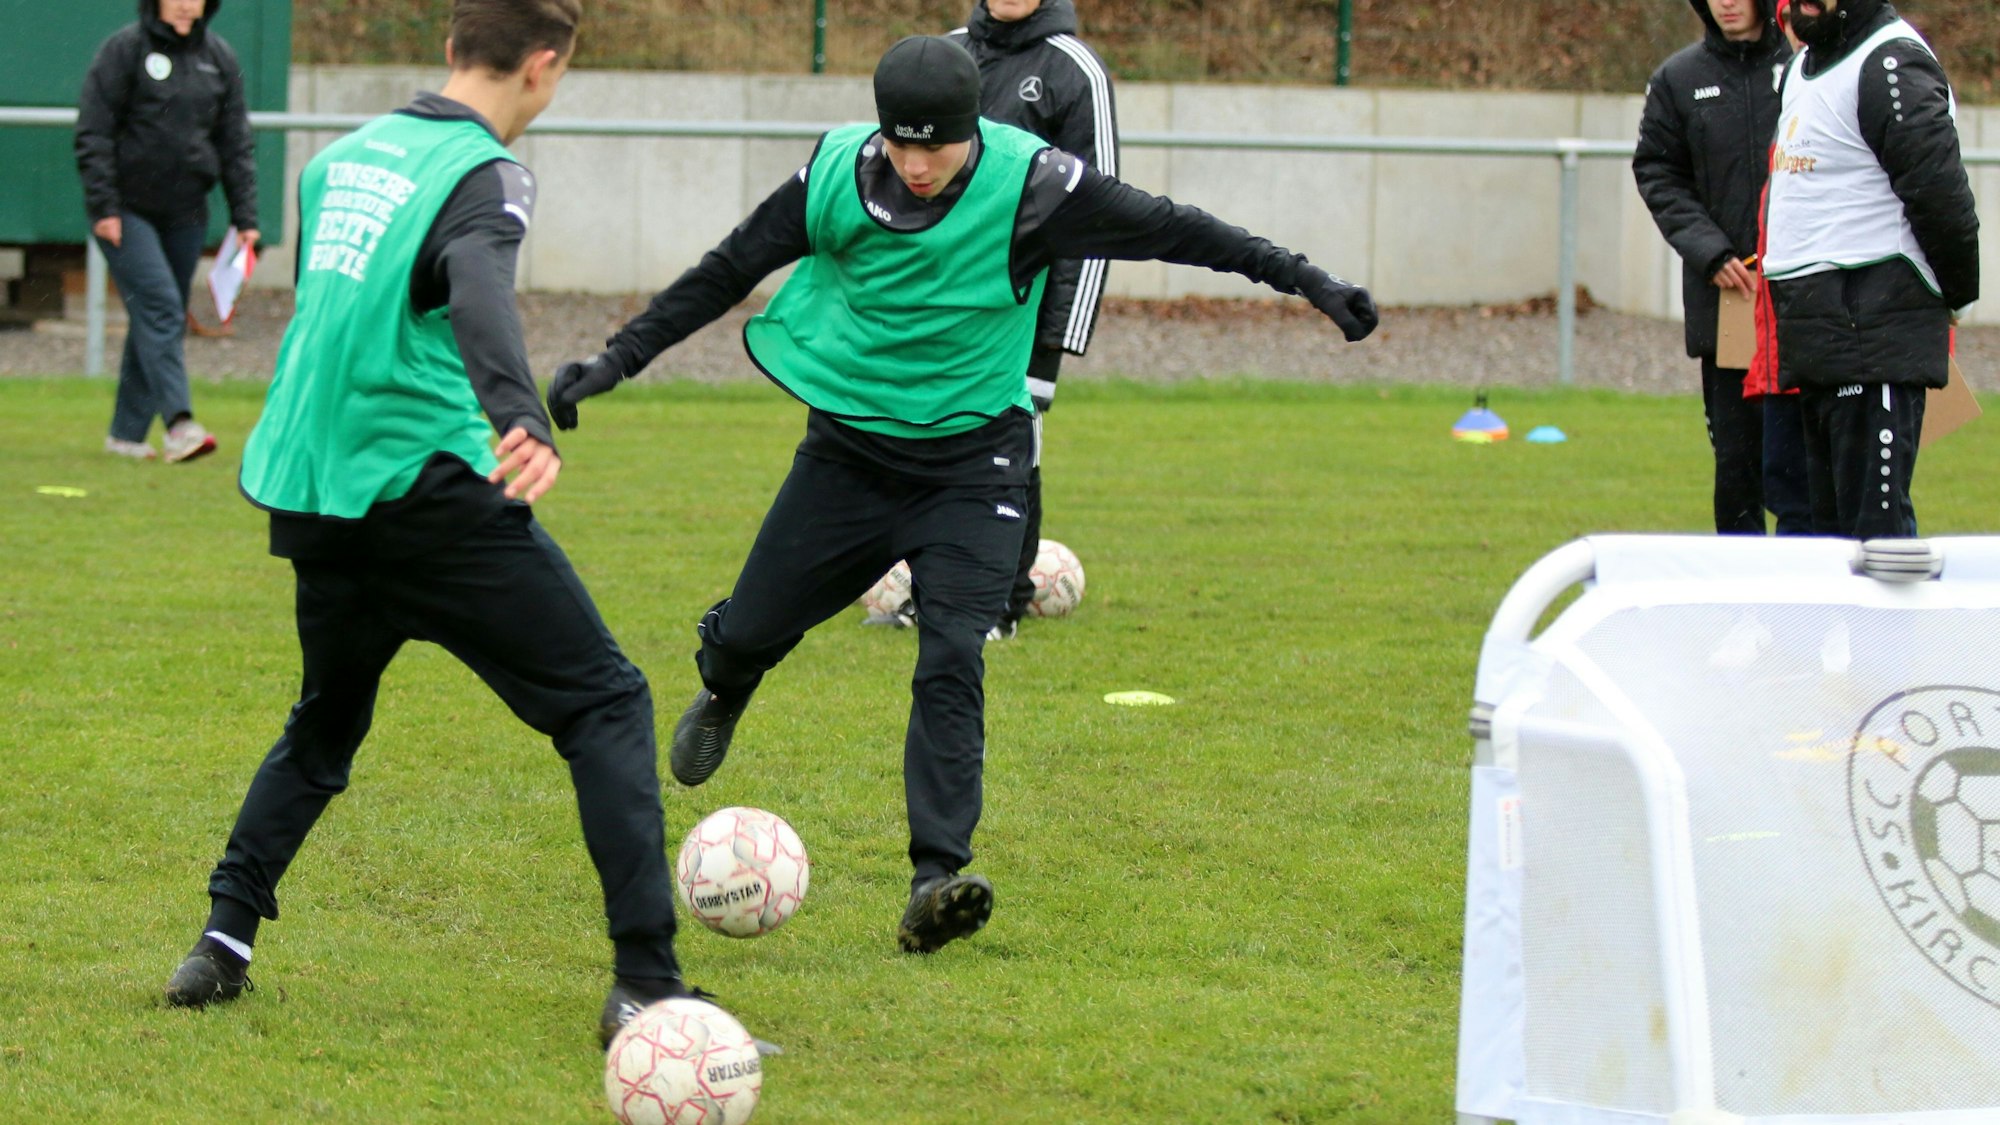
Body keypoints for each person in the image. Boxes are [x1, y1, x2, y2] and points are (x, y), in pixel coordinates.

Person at [548, 35, 1376, 956]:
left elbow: (1184, 230)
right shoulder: (833, 175)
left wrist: (1310, 280)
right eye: (899, 145)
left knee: (952, 654)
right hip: (848, 458)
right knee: (748, 631)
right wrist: (615, 360)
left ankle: (934, 878)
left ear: (971, 132)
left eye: (934, 147)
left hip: (976, 467)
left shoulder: (1034, 188)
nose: (915, 165)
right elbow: (726, 270)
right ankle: (728, 680)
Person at [162, 0, 698, 1049]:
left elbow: (357, 308)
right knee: (606, 705)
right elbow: (477, 291)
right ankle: (647, 983)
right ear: (543, 67)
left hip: (316, 497)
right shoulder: (487, 175)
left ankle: (221, 943)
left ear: (452, 46)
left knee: (325, 722)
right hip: (429, 495)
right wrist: (515, 413)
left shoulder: (343, 158)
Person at [1764, 0, 1978, 538]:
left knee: (1875, 539)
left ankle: (1891, 630)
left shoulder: (1890, 62)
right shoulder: (1800, 67)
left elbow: (1940, 197)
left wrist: (1954, 294)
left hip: (1873, 335)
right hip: (1816, 338)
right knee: (1829, 539)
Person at [946, 0, 1118, 638]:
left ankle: (998, 605)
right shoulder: (947, 55)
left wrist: (1061, 331)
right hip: (942, 303)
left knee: (1008, 451)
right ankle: (938, 595)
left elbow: (1101, 209)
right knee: (925, 443)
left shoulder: (1076, 71)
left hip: (1026, 308)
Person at [1633, 0, 1794, 535]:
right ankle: (1746, 608)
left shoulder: (1807, 68)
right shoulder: (1678, 78)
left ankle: (1815, 606)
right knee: (1738, 465)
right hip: (1730, 306)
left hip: (1806, 301)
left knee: (1809, 471)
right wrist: (1711, 252)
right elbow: (1659, 172)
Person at [74, 0, 257, 464]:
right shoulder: (124, 50)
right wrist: (104, 207)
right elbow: (94, 131)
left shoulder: (219, 58)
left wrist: (246, 218)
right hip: (126, 212)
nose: (183, 4)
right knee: (160, 308)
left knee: (157, 316)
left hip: (186, 213)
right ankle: (179, 424)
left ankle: (125, 435)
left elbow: (235, 142)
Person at [1741, 0, 1813, 537]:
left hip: (1827, 353)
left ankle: (1853, 623)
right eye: (1788, 20)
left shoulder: (1874, 80)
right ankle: (1800, 622)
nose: (1796, 34)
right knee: (1784, 495)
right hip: (1779, 350)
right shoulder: (1794, 91)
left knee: (1841, 508)